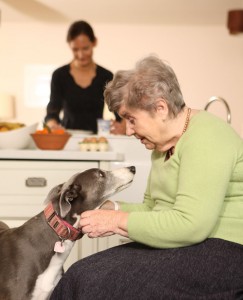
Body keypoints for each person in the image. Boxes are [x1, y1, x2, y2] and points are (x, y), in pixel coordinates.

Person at [50, 55, 243, 299]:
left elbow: (192, 225)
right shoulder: (162, 147)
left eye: (131, 119)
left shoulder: (207, 136)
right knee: (80, 274)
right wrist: (112, 208)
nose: (128, 130)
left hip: (227, 249)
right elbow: (154, 209)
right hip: (190, 245)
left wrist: (115, 221)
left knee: (98, 283)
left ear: (160, 108)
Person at [44, 20, 124, 134]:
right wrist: (52, 125)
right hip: (67, 140)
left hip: (97, 141)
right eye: (75, 49)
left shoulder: (106, 76)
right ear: (69, 46)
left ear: (94, 42)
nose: (81, 55)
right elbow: (52, 112)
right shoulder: (59, 75)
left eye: (85, 48)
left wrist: (122, 126)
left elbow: (120, 112)